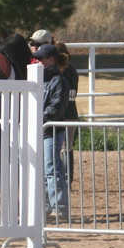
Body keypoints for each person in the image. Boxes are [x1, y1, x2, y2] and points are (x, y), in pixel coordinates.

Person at [34, 43, 69, 219]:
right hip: (43, 129)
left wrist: (36, 118)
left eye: (41, 58)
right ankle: (48, 207)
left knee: (51, 168)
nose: (38, 61)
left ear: (51, 60)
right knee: (44, 169)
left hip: (51, 130)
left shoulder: (59, 81)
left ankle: (60, 207)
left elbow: (56, 108)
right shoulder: (41, 80)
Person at [55, 42, 79, 183]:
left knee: (58, 146)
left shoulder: (58, 71)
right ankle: (68, 179)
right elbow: (73, 93)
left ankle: (61, 177)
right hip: (71, 111)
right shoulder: (73, 71)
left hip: (62, 112)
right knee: (68, 147)